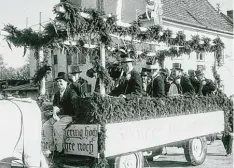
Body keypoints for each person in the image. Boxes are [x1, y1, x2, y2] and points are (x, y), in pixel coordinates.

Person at [42, 72, 79, 155]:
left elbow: (74, 105)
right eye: (57, 82)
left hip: (70, 115)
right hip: (59, 116)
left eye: (61, 81)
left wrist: (60, 109)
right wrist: (53, 112)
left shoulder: (71, 92)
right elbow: (55, 105)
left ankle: (60, 150)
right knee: (46, 126)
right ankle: (52, 149)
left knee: (57, 126)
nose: (59, 83)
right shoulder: (57, 94)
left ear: (66, 82)